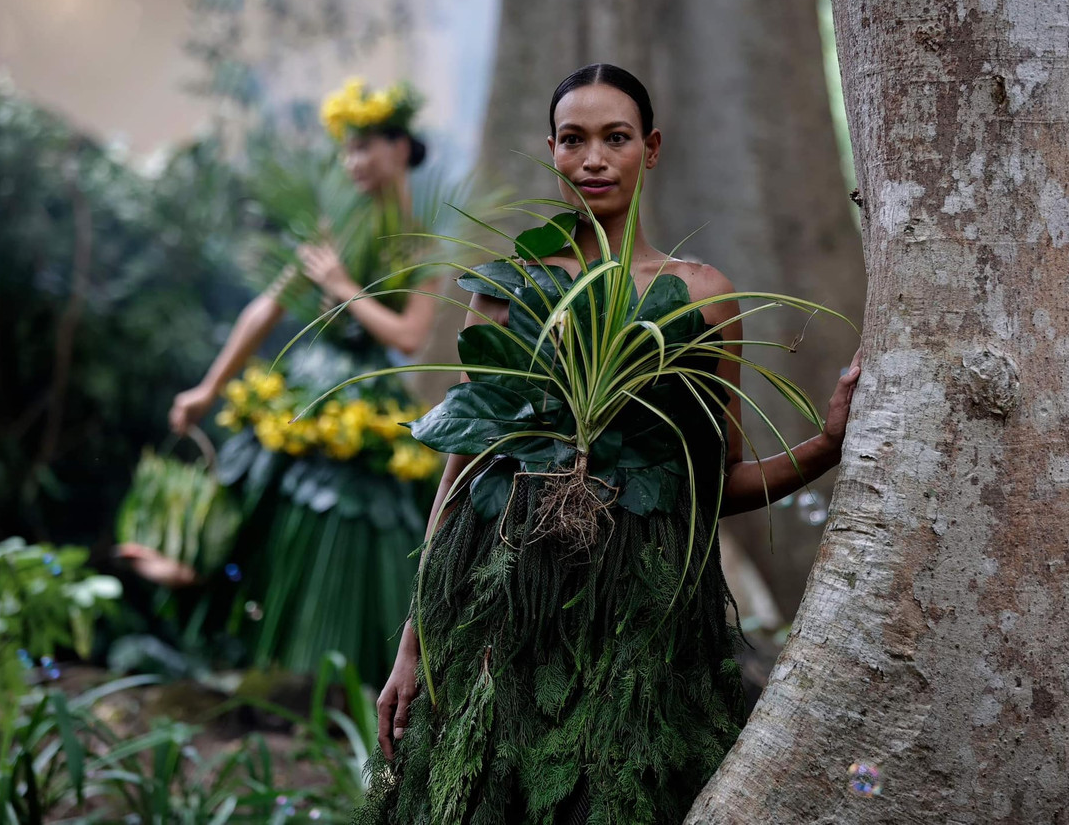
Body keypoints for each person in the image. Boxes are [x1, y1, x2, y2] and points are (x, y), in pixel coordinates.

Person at [357, 64, 861, 825]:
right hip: (503, 605)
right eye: (574, 139)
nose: (593, 157)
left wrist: (826, 444)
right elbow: (464, 465)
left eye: (614, 138)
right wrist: (415, 640)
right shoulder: (505, 287)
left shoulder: (701, 296)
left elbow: (713, 483)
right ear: (552, 150)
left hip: (641, 629)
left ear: (649, 149)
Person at [119, 78, 443, 683]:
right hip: (306, 387)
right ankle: (235, 637)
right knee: (250, 492)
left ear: (400, 149)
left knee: (354, 529)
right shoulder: (329, 230)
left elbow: (409, 336)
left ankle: (332, 677)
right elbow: (265, 310)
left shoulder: (418, 241)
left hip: (368, 401)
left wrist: (344, 288)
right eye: (347, 149)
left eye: (367, 146)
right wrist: (209, 389)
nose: (354, 161)